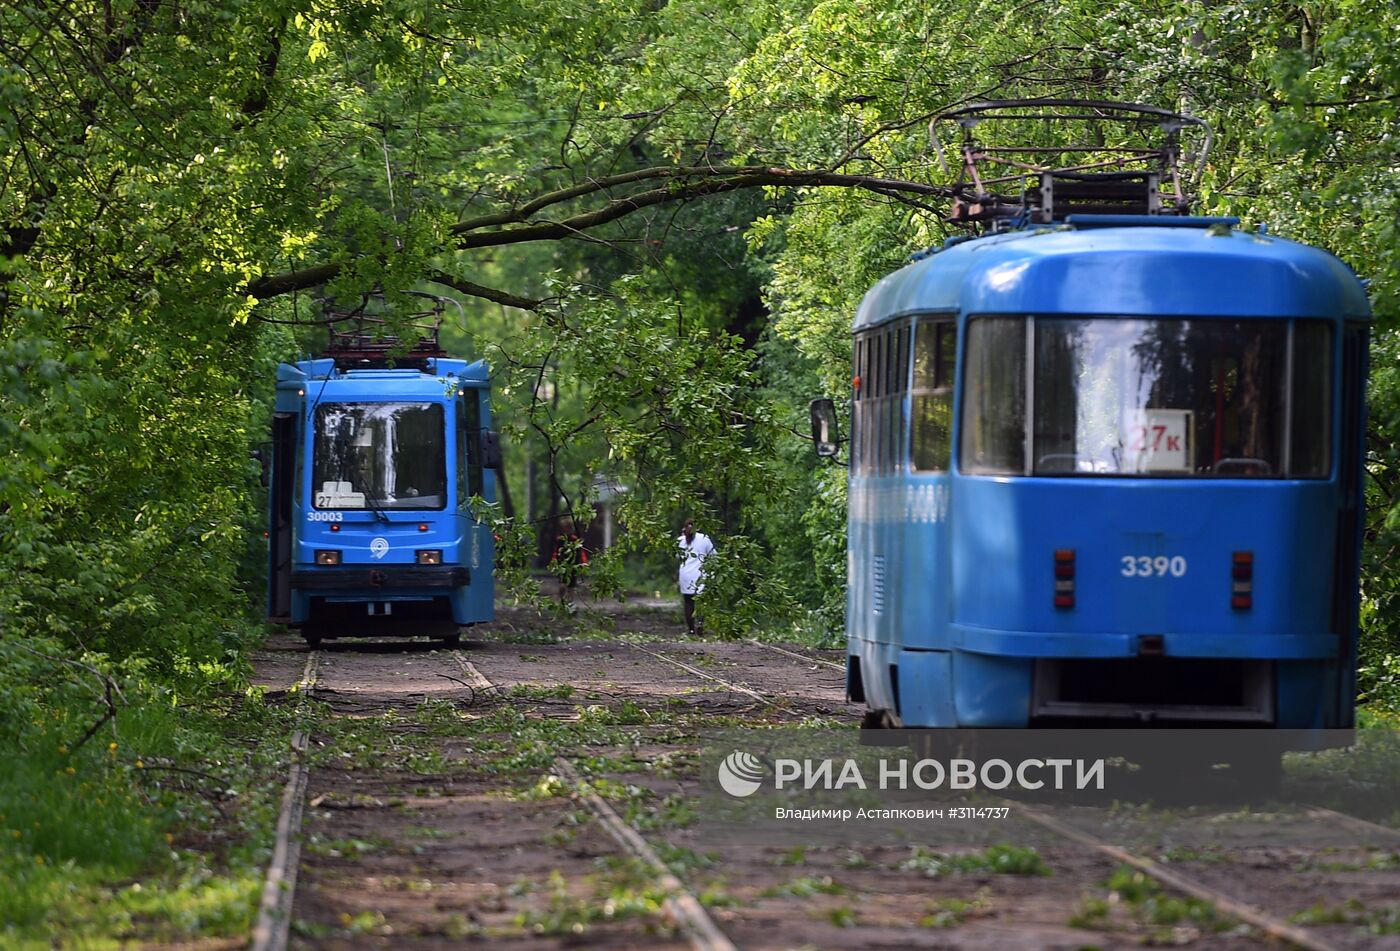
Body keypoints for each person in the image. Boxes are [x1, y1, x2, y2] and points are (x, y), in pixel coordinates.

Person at [677, 518, 714, 635]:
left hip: (685, 575)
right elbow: (713, 556)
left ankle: (691, 629)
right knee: (701, 602)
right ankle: (700, 625)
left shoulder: (680, 541)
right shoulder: (704, 539)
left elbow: (677, 557)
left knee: (688, 603)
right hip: (700, 575)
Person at [550, 521, 588, 604]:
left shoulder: (575, 540)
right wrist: (554, 561)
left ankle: (570, 602)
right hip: (562, 565)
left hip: (574, 565)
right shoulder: (560, 540)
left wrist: (584, 562)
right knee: (562, 584)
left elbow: (581, 552)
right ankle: (562, 600)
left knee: (571, 586)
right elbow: (556, 552)